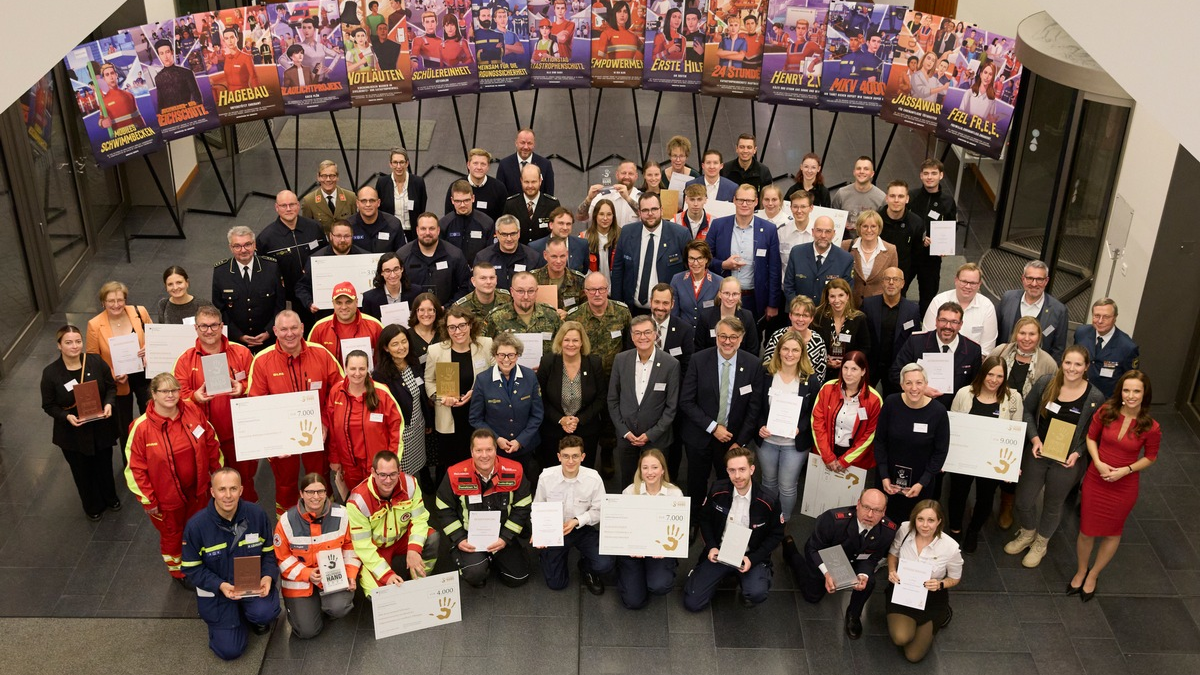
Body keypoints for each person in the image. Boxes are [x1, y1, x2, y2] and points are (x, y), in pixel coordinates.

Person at [1005, 345, 1105, 567]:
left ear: (1086, 367)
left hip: (1067, 460)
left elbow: (1094, 433)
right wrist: (1034, 438)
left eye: (1078, 364)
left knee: (1053, 503)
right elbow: (1028, 412)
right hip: (1039, 451)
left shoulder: (1095, 397)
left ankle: (1041, 542)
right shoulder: (1046, 383)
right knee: (1023, 500)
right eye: (1068, 363)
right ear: (1062, 363)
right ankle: (1028, 532)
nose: (1072, 368)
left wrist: (1078, 453)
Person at [125, 372, 222, 585]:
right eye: (165, 391)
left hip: (198, 491)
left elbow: (210, 441)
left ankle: (201, 560)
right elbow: (134, 469)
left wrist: (218, 475)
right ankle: (178, 571)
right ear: (153, 394)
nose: (171, 395)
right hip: (165, 498)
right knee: (173, 534)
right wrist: (148, 500)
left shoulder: (192, 411)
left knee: (200, 527)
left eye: (175, 390)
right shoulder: (140, 428)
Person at [1072, 371, 1160, 601]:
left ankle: (1094, 574)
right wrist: (1099, 463)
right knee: (1086, 530)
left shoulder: (1151, 426)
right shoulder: (1106, 412)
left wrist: (1126, 470)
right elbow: (1091, 438)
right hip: (1096, 478)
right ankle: (1081, 570)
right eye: (1127, 390)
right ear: (1121, 391)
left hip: (1124, 486)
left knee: (1112, 533)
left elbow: (1151, 457)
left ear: (1144, 394)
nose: (1131, 395)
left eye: (1137, 391)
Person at [246, 310, 344, 515]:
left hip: (317, 432)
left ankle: (325, 519)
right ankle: (287, 524)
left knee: (319, 477)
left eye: (293, 328)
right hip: (283, 439)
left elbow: (339, 392)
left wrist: (325, 421)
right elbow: (256, 404)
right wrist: (272, 440)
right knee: (285, 483)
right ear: (275, 331)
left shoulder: (322, 354)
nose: (289, 334)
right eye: (283, 329)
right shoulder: (263, 360)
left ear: (302, 328)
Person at [181, 468, 279, 661]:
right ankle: (232, 620)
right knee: (229, 651)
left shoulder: (256, 515)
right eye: (222, 489)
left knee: (266, 612)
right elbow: (191, 568)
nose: (227, 495)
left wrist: (267, 576)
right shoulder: (196, 527)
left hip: (252, 585)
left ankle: (251, 615)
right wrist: (220, 585)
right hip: (219, 591)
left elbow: (269, 552)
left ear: (241, 490)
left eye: (233, 489)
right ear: (212, 492)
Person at [783, 489, 897, 639]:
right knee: (812, 596)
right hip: (826, 558)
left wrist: (863, 574)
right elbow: (813, 548)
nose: (870, 515)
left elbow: (872, 558)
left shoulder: (888, 531)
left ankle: (853, 614)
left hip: (857, 561)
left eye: (876, 510)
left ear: (884, 512)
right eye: (866, 507)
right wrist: (827, 573)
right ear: (858, 505)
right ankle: (791, 552)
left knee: (869, 582)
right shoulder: (833, 519)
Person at [682, 447, 785, 611]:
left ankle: (748, 584)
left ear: (752, 469)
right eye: (732, 470)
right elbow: (705, 519)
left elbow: (777, 535)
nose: (737, 476)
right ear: (727, 471)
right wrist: (711, 547)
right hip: (720, 553)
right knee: (692, 603)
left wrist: (753, 559)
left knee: (756, 593)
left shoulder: (769, 500)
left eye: (742, 469)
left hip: (750, 555)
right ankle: (722, 574)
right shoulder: (717, 490)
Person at [680, 317, 764, 514]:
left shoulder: (753, 365)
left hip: (731, 441)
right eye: (723, 336)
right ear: (716, 336)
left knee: (727, 486)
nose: (728, 341)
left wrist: (740, 442)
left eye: (733, 337)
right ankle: (694, 520)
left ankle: (722, 520)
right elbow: (686, 401)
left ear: (741, 338)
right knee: (696, 483)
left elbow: (754, 409)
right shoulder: (698, 360)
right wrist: (713, 427)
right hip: (699, 436)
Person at [174, 305, 257, 504]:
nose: (209, 331)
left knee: (244, 482)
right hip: (203, 439)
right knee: (208, 484)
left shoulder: (242, 353)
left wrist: (243, 388)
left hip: (239, 436)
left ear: (222, 326)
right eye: (203, 326)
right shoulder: (185, 360)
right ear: (196, 328)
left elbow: (259, 384)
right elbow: (175, 397)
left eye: (213, 326)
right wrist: (194, 397)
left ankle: (248, 520)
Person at [434, 429, 533, 588]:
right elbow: (443, 508)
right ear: (471, 451)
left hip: (502, 535)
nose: (484, 455)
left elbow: (522, 507)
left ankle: (495, 557)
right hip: (469, 538)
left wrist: (505, 538)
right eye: (479, 450)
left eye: (489, 449)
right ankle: (474, 560)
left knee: (518, 578)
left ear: (496, 450)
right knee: (474, 574)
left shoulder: (515, 471)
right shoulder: (455, 473)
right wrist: (459, 539)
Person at [41, 325, 119, 521]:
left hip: (100, 426)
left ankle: (110, 498)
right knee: (82, 470)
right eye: (68, 342)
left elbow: (110, 387)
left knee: (104, 464)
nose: (74, 346)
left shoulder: (94, 362)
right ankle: (92, 505)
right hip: (72, 433)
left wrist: (109, 404)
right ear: (59, 346)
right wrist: (65, 416)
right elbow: (48, 405)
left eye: (78, 341)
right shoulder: (51, 373)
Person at [947, 355, 1023, 552]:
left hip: (992, 461)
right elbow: (952, 426)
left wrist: (1012, 467)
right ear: (982, 373)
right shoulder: (964, 394)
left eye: (999, 376)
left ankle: (974, 530)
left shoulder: (1012, 399)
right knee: (958, 494)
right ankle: (955, 530)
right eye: (990, 374)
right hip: (964, 458)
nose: (994, 380)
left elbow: (1016, 434)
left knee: (986, 496)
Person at [273, 473, 359, 638]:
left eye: (320, 491)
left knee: (339, 608)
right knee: (307, 632)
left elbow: (351, 547)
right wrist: (307, 574)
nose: (315, 496)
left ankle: (328, 607)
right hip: (300, 582)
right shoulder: (286, 522)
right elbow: (282, 558)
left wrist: (350, 574)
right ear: (301, 494)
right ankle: (309, 610)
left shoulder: (342, 514)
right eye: (310, 492)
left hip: (334, 576)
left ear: (326, 493)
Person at [346, 450, 440, 595]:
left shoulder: (411, 484)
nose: (388, 480)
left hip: (403, 538)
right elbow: (362, 545)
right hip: (376, 548)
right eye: (382, 475)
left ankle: (419, 579)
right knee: (376, 594)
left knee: (432, 538)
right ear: (373, 472)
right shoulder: (358, 501)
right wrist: (386, 575)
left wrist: (414, 549)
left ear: (399, 471)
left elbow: (420, 519)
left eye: (392, 474)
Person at [533, 436, 614, 593]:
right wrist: (539, 533)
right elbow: (538, 506)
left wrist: (577, 521)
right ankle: (548, 555)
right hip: (555, 529)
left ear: (583, 457)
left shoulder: (594, 479)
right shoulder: (546, 477)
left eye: (575, 456)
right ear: (559, 457)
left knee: (604, 564)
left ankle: (586, 567)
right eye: (566, 456)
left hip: (582, 528)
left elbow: (600, 510)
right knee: (557, 584)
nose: (570, 461)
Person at [885, 500, 963, 663]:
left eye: (931, 520)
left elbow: (955, 578)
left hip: (931, 598)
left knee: (913, 656)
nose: (925, 525)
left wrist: (940, 584)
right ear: (914, 519)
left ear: (939, 521)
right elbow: (893, 553)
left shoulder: (950, 547)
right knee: (901, 638)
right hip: (903, 592)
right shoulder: (905, 529)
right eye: (920, 519)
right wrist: (892, 570)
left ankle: (942, 615)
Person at [757, 330, 822, 520]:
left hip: (794, 443)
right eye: (785, 349)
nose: (789, 354)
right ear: (778, 351)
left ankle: (783, 520)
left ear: (802, 353)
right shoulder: (766, 374)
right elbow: (756, 406)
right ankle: (768, 518)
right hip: (767, 440)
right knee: (768, 482)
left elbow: (814, 413)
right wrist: (760, 425)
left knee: (787, 485)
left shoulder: (810, 380)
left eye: (795, 350)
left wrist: (800, 427)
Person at [608, 314, 681, 482]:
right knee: (628, 484)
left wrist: (651, 434)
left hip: (657, 440)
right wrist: (625, 432)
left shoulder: (671, 364)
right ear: (632, 337)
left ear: (656, 334)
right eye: (638, 333)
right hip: (627, 438)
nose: (643, 337)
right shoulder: (620, 360)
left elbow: (671, 407)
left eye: (647, 332)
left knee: (656, 486)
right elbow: (612, 400)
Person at [875, 363, 950, 522]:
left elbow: (940, 451)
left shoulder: (938, 412)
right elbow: (880, 441)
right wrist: (884, 476)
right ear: (902, 385)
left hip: (920, 482)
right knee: (885, 521)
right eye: (908, 383)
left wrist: (923, 482)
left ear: (926, 384)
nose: (914, 388)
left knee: (914, 523)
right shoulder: (891, 403)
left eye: (919, 383)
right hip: (888, 478)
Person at [426, 306, 495, 474]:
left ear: (470, 325)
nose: (458, 331)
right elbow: (429, 380)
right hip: (449, 418)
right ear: (446, 328)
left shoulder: (486, 344)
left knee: (480, 463)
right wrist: (441, 398)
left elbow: (496, 374)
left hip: (479, 415)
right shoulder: (436, 350)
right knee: (453, 466)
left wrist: (477, 392)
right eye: (452, 327)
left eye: (462, 325)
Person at [87, 281, 152, 450]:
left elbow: (154, 337)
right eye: (111, 301)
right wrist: (111, 373)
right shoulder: (94, 325)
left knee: (151, 419)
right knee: (124, 427)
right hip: (118, 382)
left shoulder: (139, 312)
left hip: (144, 375)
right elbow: (93, 360)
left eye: (120, 300)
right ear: (103, 302)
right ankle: (129, 464)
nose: (116, 305)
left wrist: (148, 348)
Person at [469, 332, 544, 477]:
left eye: (511, 355)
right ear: (495, 355)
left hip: (525, 448)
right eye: (501, 355)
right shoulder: (483, 380)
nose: (506, 360)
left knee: (524, 482)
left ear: (517, 355)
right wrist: (496, 439)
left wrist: (520, 441)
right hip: (495, 449)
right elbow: (475, 418)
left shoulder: (530, 377)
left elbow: (537, 415)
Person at [327, 350, 403, 492]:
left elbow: (396, 429)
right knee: (356, 499)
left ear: (368, 368)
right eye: (353, 368)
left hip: (377, 465)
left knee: (379, 499)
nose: (357, 373)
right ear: (345, 368)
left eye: (362, 368)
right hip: (349, 465)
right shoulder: (336, 392)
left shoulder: (382, 393)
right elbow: (332, 429)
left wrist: (392, 462)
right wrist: (334, 458)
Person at [617, 448, 683, 609]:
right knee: (633, 602)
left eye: (654, 467)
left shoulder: (675, 495)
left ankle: (657, 570)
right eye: (645, 467)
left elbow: (678, 530)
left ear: (662, 470)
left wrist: (666, 551)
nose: (650, 472)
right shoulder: (630, 492)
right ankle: (626, 572)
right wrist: (629, 546)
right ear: (640, 471)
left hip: (659, 551)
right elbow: (622, 526)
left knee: (659, 586)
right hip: (633, 551)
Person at [705, 184, 782, 321]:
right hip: (722, 298)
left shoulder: (769, 230)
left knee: (752, 339)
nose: (744, 204)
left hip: (753, 298)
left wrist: (772, 303)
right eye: (741, 200)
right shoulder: (718, 226)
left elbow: (774, 269)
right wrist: (723, 264)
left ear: (756, 202)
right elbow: (705, 259)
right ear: (734, 200)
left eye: (749, 201)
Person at [538, 322, 606, 471]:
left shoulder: (594, 363)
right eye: (567, 340)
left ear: (582, 342)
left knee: (585, 473)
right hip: (553, 430)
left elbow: (601, 398)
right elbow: (540, 398)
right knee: (554, 472)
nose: (571, 344)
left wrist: (579, 419)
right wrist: (560, 419)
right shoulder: (548, 362)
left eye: (575, 340)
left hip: (586, 429)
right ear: (560, 341)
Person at [256, 190, 326, 333]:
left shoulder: (314, 228)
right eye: (283, 205)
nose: (288, 209)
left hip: (318, 292)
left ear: (298, 205)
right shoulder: (266, 238)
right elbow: (264, 273)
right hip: (289, 299)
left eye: (292, 204)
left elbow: (326, 255)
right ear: (276, 208)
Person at [892, 301, 983, 409]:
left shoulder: (973, 350)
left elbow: (975, 386)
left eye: (954, 322)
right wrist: (919, 389)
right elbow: (895, 374)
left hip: (954, 411)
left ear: (960, 324)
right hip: (918, 407)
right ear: (936, 321)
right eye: (943, 320)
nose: (948, 326)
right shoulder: (916, 342)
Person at [611, 192, 692, 312]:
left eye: (654, 209)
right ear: (639, 213)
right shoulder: (627, 232)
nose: (650, 214)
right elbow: (618, 270)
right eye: (645, 210)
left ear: (662, 210)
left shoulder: (680, 234)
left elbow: (688, 272)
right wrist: (616, 306)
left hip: (667, 311)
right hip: (632, 310)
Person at [212, 226, 285, 353]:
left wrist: (269, 331)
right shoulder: (221, 272)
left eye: (247, 244)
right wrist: (238, 335)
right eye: (237, 246)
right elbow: (219, 309)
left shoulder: (271, 267)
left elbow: (280, 305)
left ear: (254, 244)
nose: (243, 250)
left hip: (269, 340)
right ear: (231, 248)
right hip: (235, 342)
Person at [372, 324, 429, 481]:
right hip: (401, 433)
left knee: (417, 467)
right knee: (402, 472)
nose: (401, 347)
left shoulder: (413, 362)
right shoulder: (380, 375)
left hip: (418, 426)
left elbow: (420, 395)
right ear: (386, 348)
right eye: (395, 344)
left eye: (404, 341)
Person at [812, 350, 881, 473]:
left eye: (854, 369)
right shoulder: (827, 389)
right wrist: (827, 457)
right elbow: (817, 423)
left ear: (863, 371)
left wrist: (846, 460)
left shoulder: (874, 399)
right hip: (825, 453)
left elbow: (870, 435)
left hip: (855, 459)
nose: (848, 373)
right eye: (845, 368)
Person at [908, 159, 958, 314]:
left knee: (928, 295)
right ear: (921, 176)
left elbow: (951, 226)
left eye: (934, 173)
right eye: (926, 173)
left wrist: (945, 246)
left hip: (932, 256)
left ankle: (925, 325)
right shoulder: (911, 196)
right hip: (909, 253)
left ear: (941, 175)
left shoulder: (948, 201)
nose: (930, 177)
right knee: (899, 288)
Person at [862, 268, 920, 395]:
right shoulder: (868, 304)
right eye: (887, 279)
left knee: (893, 403)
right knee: (864, 400)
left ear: (903, 284)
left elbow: (915, 340)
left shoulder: (912, 310)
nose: (891, 282)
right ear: (882, 282)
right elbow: (862, 335)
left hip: (897, 367)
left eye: (896, 279)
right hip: (871, 365)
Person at [996, 261, 1068, 362]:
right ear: (1023, 279)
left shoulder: (1058, 310)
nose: (1034, 284)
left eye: (1039, 279)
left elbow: (1058, 349)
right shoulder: (1008, 298)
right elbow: (996, 333)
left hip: (1037, 370)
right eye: (1030, 278)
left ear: (1046, 281)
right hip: (1003, 365)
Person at [396, 213, 473, 305]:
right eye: (423, 229)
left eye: (432, 228)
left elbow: (465, 287)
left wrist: (449, 307)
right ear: (417, 230)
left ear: (438, 230)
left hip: (447, 314)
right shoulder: (402, 255)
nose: (427, 233)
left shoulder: (455, 255)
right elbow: (395, 286)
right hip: (412, 313)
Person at [484, 271, 563, 358]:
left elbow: (562, 345)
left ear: (536, 292)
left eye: (530, 291)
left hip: (545, 371)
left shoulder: (551, 315)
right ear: (512, 292)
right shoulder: (496, 318)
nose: (526, 296)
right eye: (520, 291)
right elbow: (485, 349)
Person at [1074, 298, 1140, 398]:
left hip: (1106, 402)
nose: (1100, 321)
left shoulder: (1127, 347)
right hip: (1077, 394)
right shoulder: (1081, 333)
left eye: (1106, 317)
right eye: (1096, 316)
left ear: (1115, 318)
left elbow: (1131, 381)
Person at [783, 215, 854, 306]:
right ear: (813, 232)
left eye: (828, 231)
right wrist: (801, 310)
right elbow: (788, 286)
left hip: (829, 315)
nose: (823, 235)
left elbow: (846, 292)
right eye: (819, 230)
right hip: (800, 315)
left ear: (834, 233)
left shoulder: (845, 259)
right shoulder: (797, 253)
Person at [308, 282, 384, 363]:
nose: (344, 307)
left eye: (348, 302)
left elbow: (385, 360)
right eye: (339, 303)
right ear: (333, 303)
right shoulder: (319, 329)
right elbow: (311, 361)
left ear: (356, 301)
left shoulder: (375, 326)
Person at [762, 295, 828, 383]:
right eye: (797, 314)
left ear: (811, 318)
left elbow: (819, 378)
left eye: (805, 316)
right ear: (790, 315)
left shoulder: (818, 341)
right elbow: (767, 368)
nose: (800, 319)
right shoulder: (777, 336)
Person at [813, 278, 871, 373]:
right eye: (832, 296)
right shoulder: (818, 317)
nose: (837, 300)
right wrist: (825, 360)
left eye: (841, 295)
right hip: (822, 370)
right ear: (827, 298)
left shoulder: (859, 318)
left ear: (847, 296)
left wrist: (848, 361)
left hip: (850, 371)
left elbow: (865, 348)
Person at [840, 210, 897, 305]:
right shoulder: (846, 246)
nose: (869, 230)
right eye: (865, 226)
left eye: (873, 226)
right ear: (859, 228)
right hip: (850, 304)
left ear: (879, 228)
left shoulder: (891, 250)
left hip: (878, 306)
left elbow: (893, 281)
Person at [695, 276, 759, 356]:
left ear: (740, 295)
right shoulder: (706, 317)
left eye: (735, 294)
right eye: (726, 293)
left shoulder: (747, 317)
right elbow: (699, 349)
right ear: (719, 294)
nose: (730, 298)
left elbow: (753, 350)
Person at [475, 215, 542, 291]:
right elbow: (475, 287)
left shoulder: (533, 257)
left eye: (513, 234)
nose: (509, 239)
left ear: (519, 233)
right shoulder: (483, 258)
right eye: (504, 234)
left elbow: (539, 288)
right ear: (497, 234)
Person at [576, 161, 640, 240]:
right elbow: (581, 217)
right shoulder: (604, 196)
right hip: (608, 246)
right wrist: (589, 199)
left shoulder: (641, 198)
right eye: (623, 173)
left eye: (630, 173)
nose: (626, 176)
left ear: (636, 176)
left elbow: (646, 216)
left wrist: (627, 198)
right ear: (617, 175)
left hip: (633, 244)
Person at [501, 163, 562, 244]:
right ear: (521, 181)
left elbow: (558, 232)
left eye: (533, 182)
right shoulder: (511, 204)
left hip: (544, 252)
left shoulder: (552, 204)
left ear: (540, 181)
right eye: (526, 182)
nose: (530, 186)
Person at [879, 181, 924, 290]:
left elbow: (917, 253)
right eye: (892, 196)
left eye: (901, 196)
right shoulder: (876, 219)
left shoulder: (916, 223)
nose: (896, 200)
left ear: (907, 199)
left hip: (902, 275)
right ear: (886, 198)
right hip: (877, 273)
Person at [441, 179, 496, 264]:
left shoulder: (487, 223)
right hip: (453, 272)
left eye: (466, 200)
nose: (462, 205)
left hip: (479, 271)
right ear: (452, 200)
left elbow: (490, 253)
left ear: (473, 198)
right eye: (458, 201)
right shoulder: (443, 224)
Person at [445, 148, 508, 222]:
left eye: (483, 164)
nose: (479, 167)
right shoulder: (455, 187)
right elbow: (448, 217)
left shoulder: (499, 188)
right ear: (468, 165)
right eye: (475, 163)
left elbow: (503, 219)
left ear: (488, 166)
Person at [670, 239, 719, 329]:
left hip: (707, 335)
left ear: (706, 259)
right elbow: (674, 315)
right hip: (684, 333)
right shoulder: (677, 280)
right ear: (687, 259)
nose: (695, 263)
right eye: (692, 258)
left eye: (700, 258)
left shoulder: (719, 282)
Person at [531, 235, 588, 309]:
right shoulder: (533, 279)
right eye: (554, 256)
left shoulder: (579, 280)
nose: (558, 261)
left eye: (562, 256)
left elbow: (586, 309)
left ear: (567, 254)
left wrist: (568, 315)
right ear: (545, 255)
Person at [830, 156, 886, 232]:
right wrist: (841, 222)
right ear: (854, 172)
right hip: (844, 242)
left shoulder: (881, 198)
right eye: (858, 168)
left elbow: (882, 226)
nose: (861, 171)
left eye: (866, 169)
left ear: (872, 174)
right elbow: (832, 218)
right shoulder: (841, 194)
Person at [496, 128, 556, 198]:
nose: (526, 147)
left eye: (529, 143)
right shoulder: (504, 165)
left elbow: (549, 196)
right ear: (516, 143)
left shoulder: (545, 165)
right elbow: (500, 194)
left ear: (534, 144)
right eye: (522, 142)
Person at [301, 160, 358, 233]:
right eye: (324, 176)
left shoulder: (350, 197)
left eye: (332, 176)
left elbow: (355, 225)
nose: (328, 180)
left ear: (337, 177)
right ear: (318, 177)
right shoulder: (309, 201)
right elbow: (307, 229)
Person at [347, 186, 406, 253]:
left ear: (378, 202)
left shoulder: (394, 224)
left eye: (372, 201)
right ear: (357, 203)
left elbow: (401, 254)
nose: (368, 204)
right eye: (363, 201)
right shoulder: (348, 226)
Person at [152, 40, 203, 111]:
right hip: (170, 118)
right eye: (161, 53)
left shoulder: (187, 73)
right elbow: (160, 105)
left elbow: (198, 99)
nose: (165, 56)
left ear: (172, 52)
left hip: (189, 114)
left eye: (167, 52)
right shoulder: (158, 78)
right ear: (159, 56)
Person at [362, 253, 415, 321]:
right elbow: (367, 325)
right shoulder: (369, 298)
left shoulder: (415, 292)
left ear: (402, 269)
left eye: (396, 269)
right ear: (381, 272)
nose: (392, 275)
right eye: (387, 271)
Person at [581, 198, 621, 279]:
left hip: (616, 286)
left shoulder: (622, 236)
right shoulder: (584, 237)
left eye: (609, 214)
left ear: (613, 216)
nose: (605, 218)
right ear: (595, 216)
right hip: (593, 287)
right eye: (601, 214)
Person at [407, 292, 442, 370]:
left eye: (430, 310)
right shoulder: (407, 336)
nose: (426, 314)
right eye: (421, 310)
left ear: (437, 311)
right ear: (415, 312)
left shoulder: (445, 334)